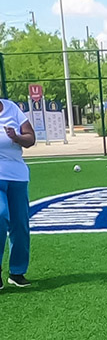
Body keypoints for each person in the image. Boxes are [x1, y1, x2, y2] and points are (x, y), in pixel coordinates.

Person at [0, 96, 36, 289]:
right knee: (0, 215)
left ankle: (17, 272)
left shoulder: (11, 108)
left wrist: (16, 137)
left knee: (20, 224)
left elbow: (30, 139)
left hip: (17, 176)